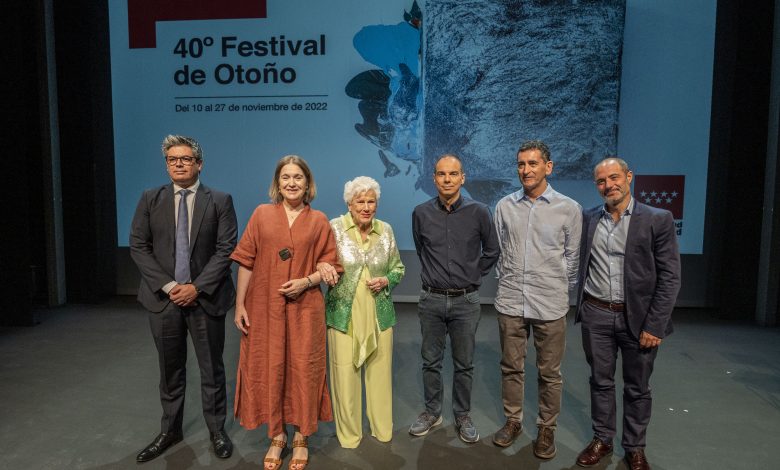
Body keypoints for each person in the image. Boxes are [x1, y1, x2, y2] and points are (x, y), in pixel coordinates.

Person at [129, 135, 237, 462]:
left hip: (205, 299)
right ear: (167, 165)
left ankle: (216, 430)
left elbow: (226, 249)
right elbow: (138, 246)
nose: (178, 164)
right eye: (172, 159)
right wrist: (168, 285)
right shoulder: (150, 198)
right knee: (170, 370)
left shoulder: (220, 200)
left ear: (199, 164)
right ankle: (170, 430)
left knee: (211, 369)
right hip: (164, 301)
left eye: (185, 159)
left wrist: (196, 287)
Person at [231, 155, 340, 470]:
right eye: (286, 177)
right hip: (265, 308)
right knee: (270, 367)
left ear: (308, 184)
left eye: (298, 177)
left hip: (305, 309)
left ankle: (301, 437)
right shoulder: (262, 214)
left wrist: (307, 281)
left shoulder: (318, 220)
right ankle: (277, 435)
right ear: (277, 184)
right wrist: (240, 304)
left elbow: (331, 265)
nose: (292, 183)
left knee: (303, 370)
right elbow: (246, 261)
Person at [574, 158, 680, 470]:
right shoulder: (588, 218)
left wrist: (655, 325)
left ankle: (634, 447)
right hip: (596, 314)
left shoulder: (657, 218)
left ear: (629, 177)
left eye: (614, 177)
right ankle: (602, 439)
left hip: (639, 320)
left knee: (637, 387)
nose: (608, 185)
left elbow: (670, 277)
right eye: (601, 181)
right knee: (600, 382)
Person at [492, 140, 582, 458]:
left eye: (532, 163)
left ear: (548, 167)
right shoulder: (504, 206)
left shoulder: (569, 209)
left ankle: (546, 428)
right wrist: (507, 282)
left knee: (549, 373)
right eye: (521, 164)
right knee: (510, 367)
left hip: (549, 303)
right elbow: (500, 252)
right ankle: (513, 421)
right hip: (511, 301)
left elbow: (572, 259)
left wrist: (558, 290)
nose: (526, 170)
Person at [409, 154, 500, 443]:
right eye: (441, 174)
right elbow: (421, 249)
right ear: (434, 178)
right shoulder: (420, 213)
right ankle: (432, 412)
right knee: (430, 362)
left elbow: (492, 250)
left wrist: (473, 274)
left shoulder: (480, 211)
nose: (447, 179)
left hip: (466, 302)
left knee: (464, 363)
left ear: (463, 178)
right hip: (431, 300)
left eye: (453, 174)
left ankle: (462, 415)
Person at [324, 176, 405, 448]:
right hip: (343, 313)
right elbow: (321, 261)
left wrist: (387, 280)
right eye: (360, 201)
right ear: (349, 204)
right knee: (344, 376)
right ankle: (349, 434)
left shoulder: (386, 230)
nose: (366, 207)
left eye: (371, 201)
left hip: (379, 312)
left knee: (380, 375)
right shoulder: (334, 228)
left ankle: (382, 429)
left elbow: (398, 268)